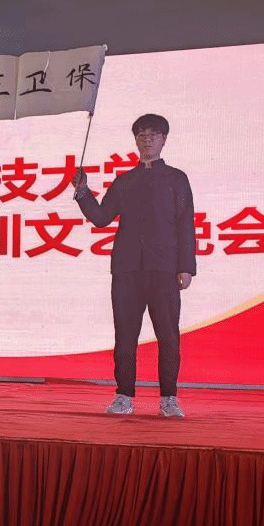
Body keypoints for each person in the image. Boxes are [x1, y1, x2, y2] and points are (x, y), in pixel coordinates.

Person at [72, 113, 196, 418]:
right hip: (127, 268)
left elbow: (186, 224)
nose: (147, 140)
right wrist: (83, 192)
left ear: (164, 140)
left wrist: (186, 266)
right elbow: (101, 217)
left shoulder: (176, 179)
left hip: (164, 268)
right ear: (136, 141)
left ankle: (169, 398)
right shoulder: (124, 181)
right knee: (125, 335)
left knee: (168, 336)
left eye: (153, 135)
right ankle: (123, 395)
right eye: (142, 135)